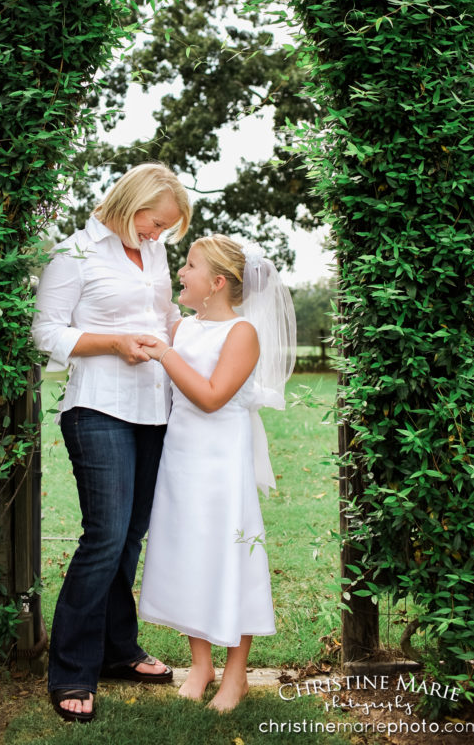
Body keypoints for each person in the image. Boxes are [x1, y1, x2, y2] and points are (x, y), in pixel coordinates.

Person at [31, 163, 192, 723]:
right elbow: (46, 330)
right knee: (104, 537)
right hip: (98, 408)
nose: (159, 234)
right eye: (155, 222)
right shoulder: (75, 254)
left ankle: (118, 649)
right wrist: (113, 342)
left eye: (167, 229)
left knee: (130, 538)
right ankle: (72, 670)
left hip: (157, 408)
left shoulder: (152, 253)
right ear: (129, 203)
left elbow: (164, 315)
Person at [138, 234, 296, 711]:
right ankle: (201, 664)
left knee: (229, 556)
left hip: (222, 461)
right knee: (188, 553)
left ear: (217, 283)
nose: (181, 273)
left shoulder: (242, 333)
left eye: (190, 266)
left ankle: (235, 675)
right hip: (181, 458)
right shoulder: (184, 329)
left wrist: (164, 354)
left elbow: (210, 397)